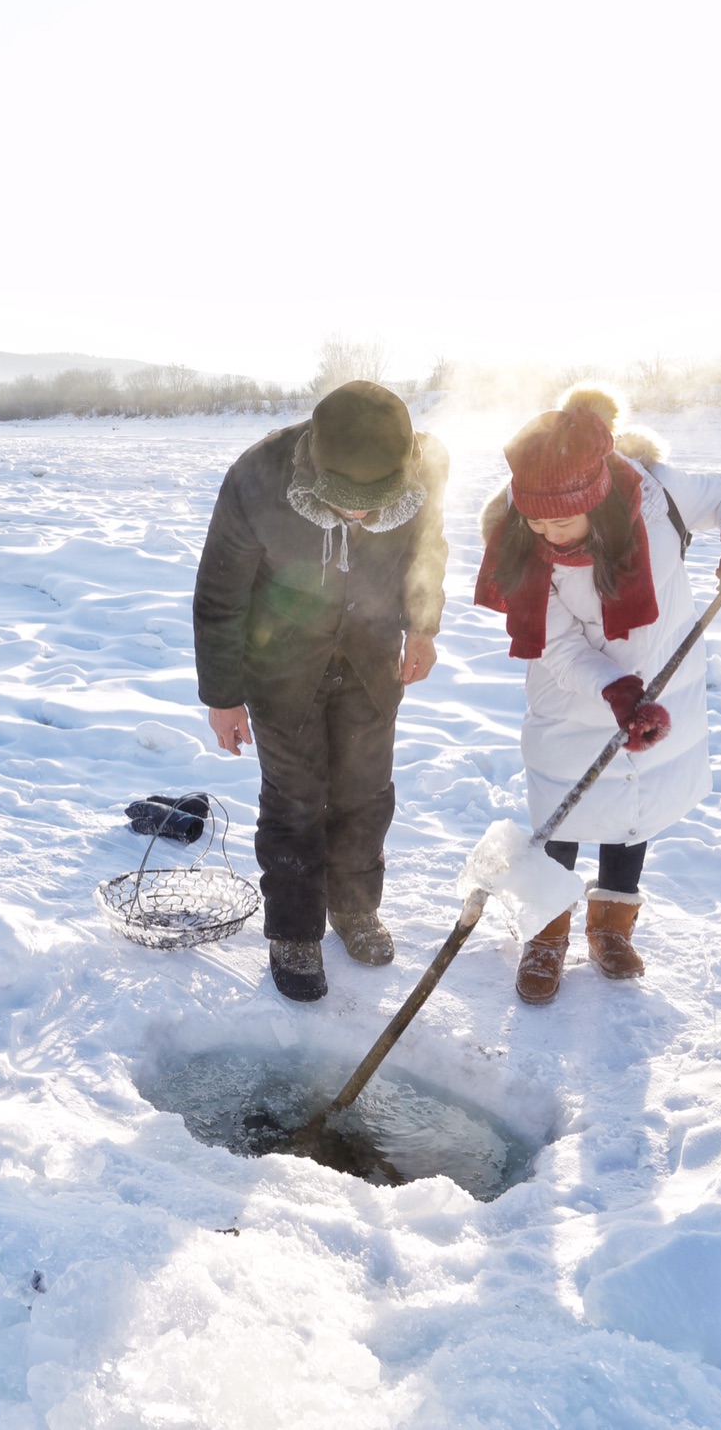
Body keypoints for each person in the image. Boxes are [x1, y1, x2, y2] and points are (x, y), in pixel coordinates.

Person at [474, 387, 721, 1004]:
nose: (545, 531)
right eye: (535, 519)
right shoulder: (520, 535)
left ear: (595, 497)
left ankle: (612, 926)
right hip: (573, 698)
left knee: (634, 810)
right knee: (562, 816)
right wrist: (616, 692)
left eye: (559, 520)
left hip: (667, 684)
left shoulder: (654, 491)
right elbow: (558, 647)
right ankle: (547, 934)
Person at [194, 381, 449, 1002]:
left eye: (372, 505)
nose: (359, 518)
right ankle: (294, 931)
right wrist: (223, 695)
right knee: (294, 800)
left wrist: (423, 626)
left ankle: (354, 907)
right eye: (345, 503)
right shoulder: (258, 478)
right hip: (281, 667)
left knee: (366, 792)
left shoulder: (426, 466)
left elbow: (429, 550)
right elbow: (221, 593)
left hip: (370, 659)